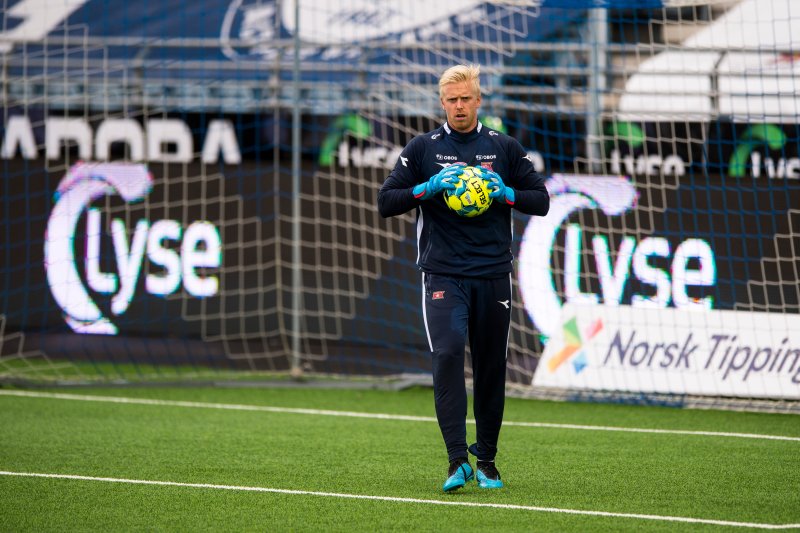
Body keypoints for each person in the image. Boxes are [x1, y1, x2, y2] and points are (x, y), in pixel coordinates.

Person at [377, 64, 550, 492]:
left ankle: (487, 461)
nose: (458, 106)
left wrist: (505, 192)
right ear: (442, 103)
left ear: (479, 100)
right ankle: (457, 460)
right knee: (449, 354)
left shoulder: (504, 147)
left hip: (492, 274)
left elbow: (542, 201)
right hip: (442, 274)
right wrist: (429, 187)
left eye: (466, 98)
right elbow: (386, 201)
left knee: (491, 369)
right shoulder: (422, 149)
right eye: (451, 100)